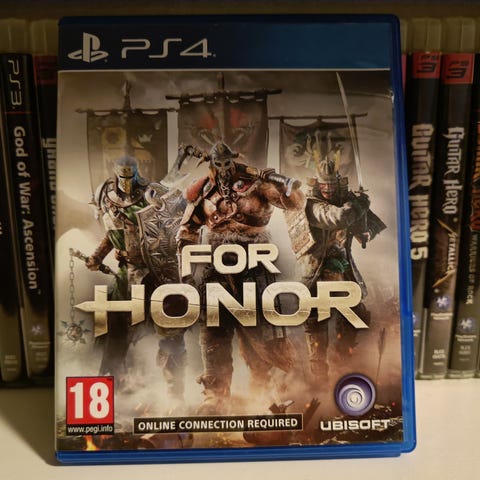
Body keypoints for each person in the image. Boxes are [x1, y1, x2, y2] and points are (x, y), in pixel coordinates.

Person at [176, 141, 305, 414]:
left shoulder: (256, 184)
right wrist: (186, 275)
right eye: (218, 165)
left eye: (227, 164)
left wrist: (284, 185)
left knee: (260, 332)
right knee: (213, 331)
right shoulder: (204, 191)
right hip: (215, 267)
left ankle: (265, 396)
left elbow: (294, 203)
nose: (223, 170)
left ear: (233, 161)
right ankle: (215, 396)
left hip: (254, 264)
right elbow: (187, 231)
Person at [294, 153, 385, 384]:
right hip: (316, 270)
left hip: (343, 266)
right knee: (316, 319)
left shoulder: (347, 199)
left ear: (337, 183)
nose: (327, 189)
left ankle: (344, 362)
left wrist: (366, 231)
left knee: (355, 314)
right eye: (323, 184)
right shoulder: (310, 204)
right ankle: (319, 376)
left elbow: (372, 224)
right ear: (317, 184)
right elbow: (338, 218)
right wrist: (358, 205)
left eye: (331, 184)